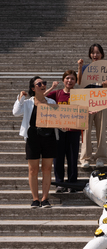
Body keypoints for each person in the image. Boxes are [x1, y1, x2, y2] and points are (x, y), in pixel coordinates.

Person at [13, 76, 58, 208]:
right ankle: (35, 199)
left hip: (49, 137)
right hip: (33, 137)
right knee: (33, 169)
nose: (43, 85)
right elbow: (15, 112)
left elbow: (58, 119)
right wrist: (20, 98)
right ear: (33, 88)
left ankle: (45, 198)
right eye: (39, 84)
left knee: (47, 168)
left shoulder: (51, 101)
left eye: (44, 83)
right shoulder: (27, 103)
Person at [45, 70, 81, 192]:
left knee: (72, 157)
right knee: (58, 157)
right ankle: (60, 183)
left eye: (72, 79)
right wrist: (51, 87)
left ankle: (72, 184)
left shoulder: (80, 95)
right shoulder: (57, 93)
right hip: (59, 131)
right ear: (63, 80)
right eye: (67, 78)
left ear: (76, 81)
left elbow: (86, 108)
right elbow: (40, 98)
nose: (69, 81)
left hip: (74, 130)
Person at [77, 44, 107, 168]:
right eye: (93, 53)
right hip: (87, 101)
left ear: (102, 54)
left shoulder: (106, 68)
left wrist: (106, 85)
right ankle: (85, 158)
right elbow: (79, 83)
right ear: (90, 54)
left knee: (101, 131)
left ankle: (100, 157)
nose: (95, 55)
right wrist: (79, 67)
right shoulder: (85, 67)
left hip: (102, 101)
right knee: (86, 131)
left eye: (97, 52)